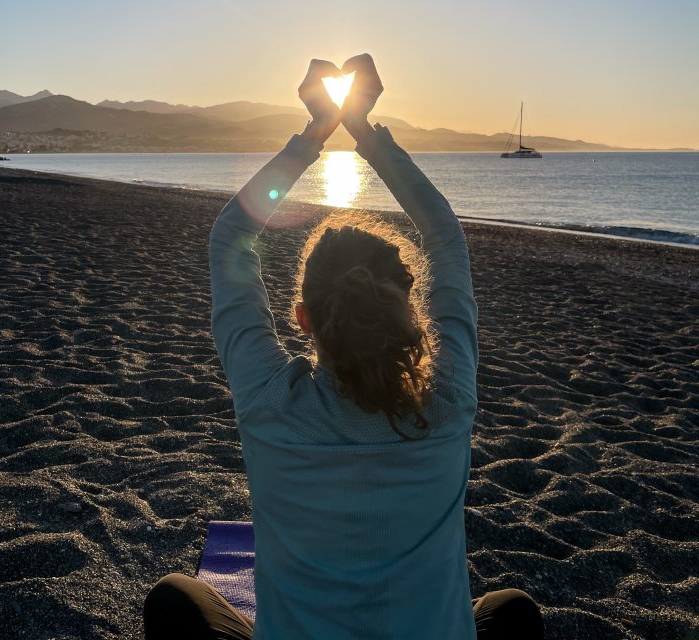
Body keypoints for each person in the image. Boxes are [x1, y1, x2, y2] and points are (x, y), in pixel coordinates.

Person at [144, 55, 544, 639]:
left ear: (303, 319)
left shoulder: (268, 398)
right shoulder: (449, 395)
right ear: (408, 311)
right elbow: (446, 238)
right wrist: (363, 132)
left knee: (175, 599)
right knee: (510, 609)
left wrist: (316, 134)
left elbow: (231, 233)